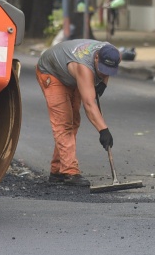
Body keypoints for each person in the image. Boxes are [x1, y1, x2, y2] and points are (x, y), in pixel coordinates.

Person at [36, 39, 121, 186]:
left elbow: (106, 68)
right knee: (64, 123)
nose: (104, 73)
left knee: (74, 121)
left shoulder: (114, 53)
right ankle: (70, 172)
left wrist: (103, 83)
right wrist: (103, 130)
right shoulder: (84, 67)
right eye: (102, 69)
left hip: (71, 76)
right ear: (96, 58)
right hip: (52, 72)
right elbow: (89, 104)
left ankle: (57, 171)